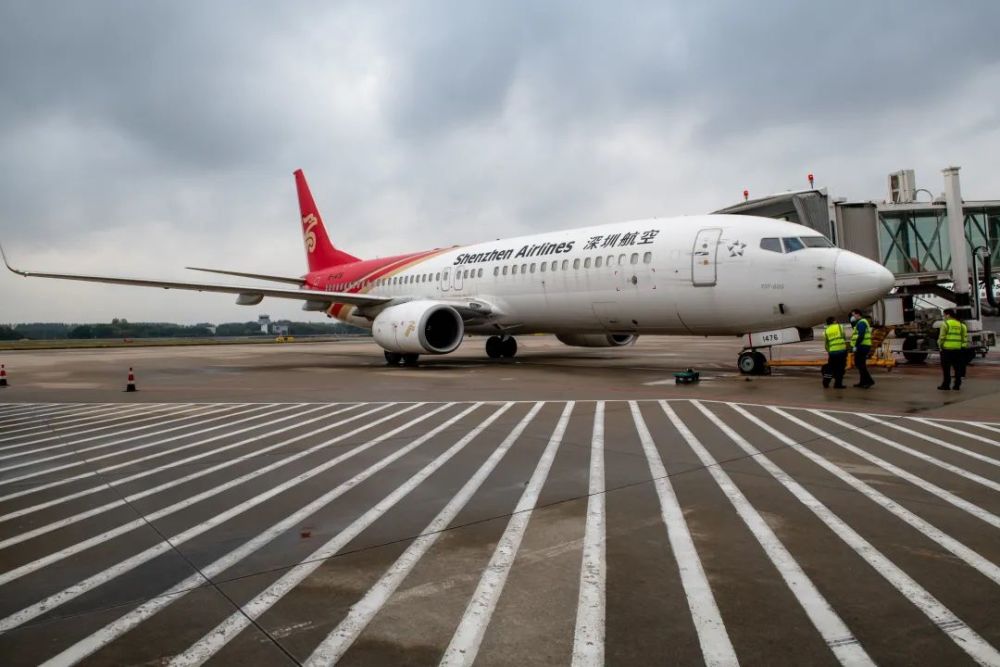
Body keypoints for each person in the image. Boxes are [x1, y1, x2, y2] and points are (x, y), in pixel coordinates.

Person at [938, 308, 969, 390]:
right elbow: (964, 338)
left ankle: (946, 385)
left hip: (947, 350)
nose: (944, 317)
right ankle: (957, 385)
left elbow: (942, 337)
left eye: (944, 315)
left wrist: (940, 346)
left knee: (946, 369)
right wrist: (962, 347)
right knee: (957, 368)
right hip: (958, 350)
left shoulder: (945, 324)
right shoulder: (961, 325)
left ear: (948, 315)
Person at [849, 309, 874, 388]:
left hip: (862, 346)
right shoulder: (860, 322)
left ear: (858, 314)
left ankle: (869, 381)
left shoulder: (861, 322)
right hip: (863, 346)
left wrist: (856, 345)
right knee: (860, 364)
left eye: (853, 315)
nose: (853, 317)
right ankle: (863, 382)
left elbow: (861, 335)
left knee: (860, 364)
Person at [822, 316, 848, 388]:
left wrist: (829, 350)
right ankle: (838, 384)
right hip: (841, 351)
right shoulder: (840, 327)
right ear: (833, 321)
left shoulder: (826, 331)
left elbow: (826, 344)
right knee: (840, 368)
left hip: (832, 352)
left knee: (830, 368)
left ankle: (826, 381)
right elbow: (844, 337)